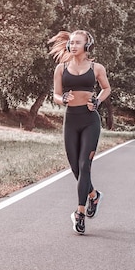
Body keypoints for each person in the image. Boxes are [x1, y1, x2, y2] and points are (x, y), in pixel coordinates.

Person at [48, 30, 111, 235]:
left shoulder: (96, 68)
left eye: (78, 43)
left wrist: (98, 101)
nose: (73, 46)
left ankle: (80, 213)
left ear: (87, 45)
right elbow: (56, 94)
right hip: (71, 120)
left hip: (90, 120)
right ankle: (93, 195)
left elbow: (106, 89)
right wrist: (62, 99)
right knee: (75, 167)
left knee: (85, 165)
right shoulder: (61, 68)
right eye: (71, 43)